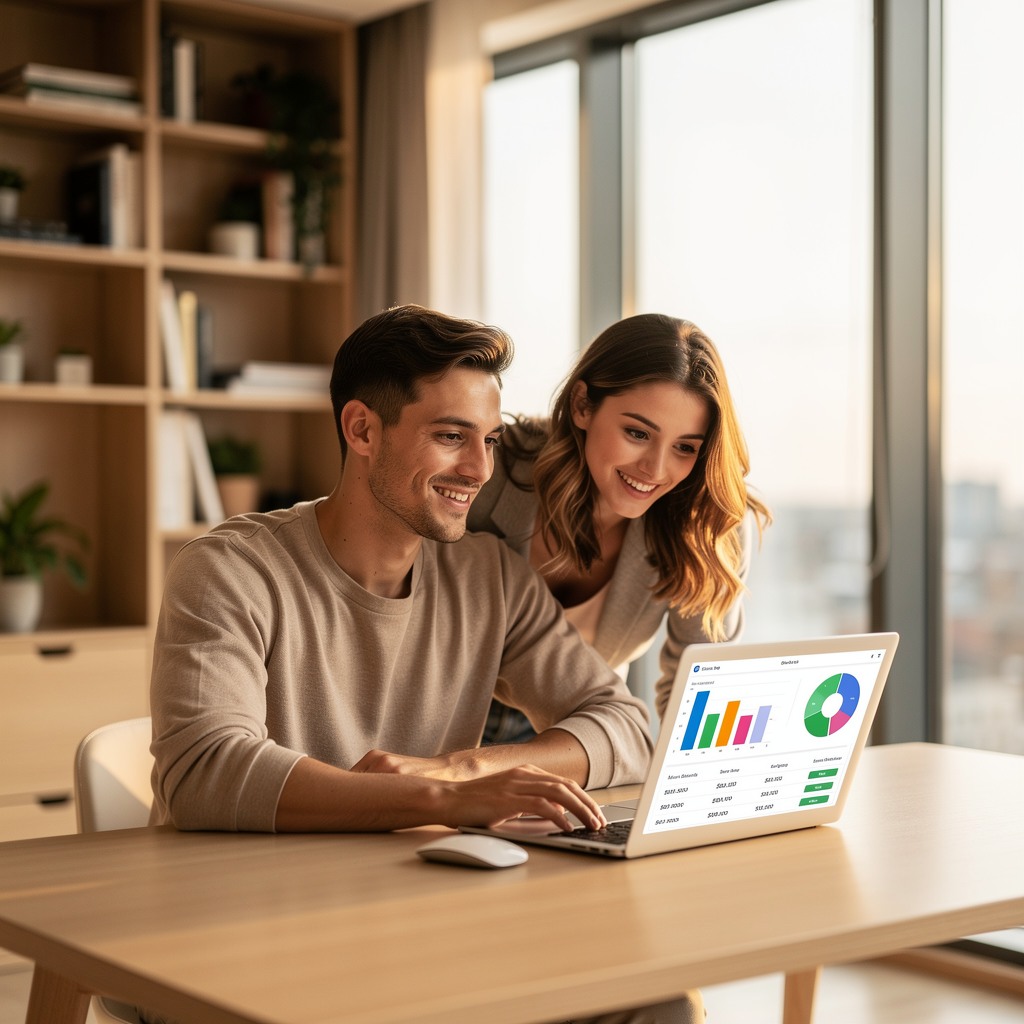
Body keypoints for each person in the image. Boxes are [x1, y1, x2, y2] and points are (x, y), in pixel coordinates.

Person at [147, 304, 704, 1024]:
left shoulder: (489, 578)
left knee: (658, 1005)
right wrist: (441, 802)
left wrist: (469, 771)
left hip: (412, 925)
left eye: (491, 441)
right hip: (240, 939)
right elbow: (206, 771)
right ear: (362, 430)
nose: (478, 470)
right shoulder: (229, 569)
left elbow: (625, 726)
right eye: (450, 437)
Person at [468, 313, 770, 744]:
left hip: (574, 735)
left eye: (685, 447)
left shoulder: (704, 524)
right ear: (582, 406)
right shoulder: (491, 471)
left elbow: (701, 685)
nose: (656, 469)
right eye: (637, 433)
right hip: (448, 720)